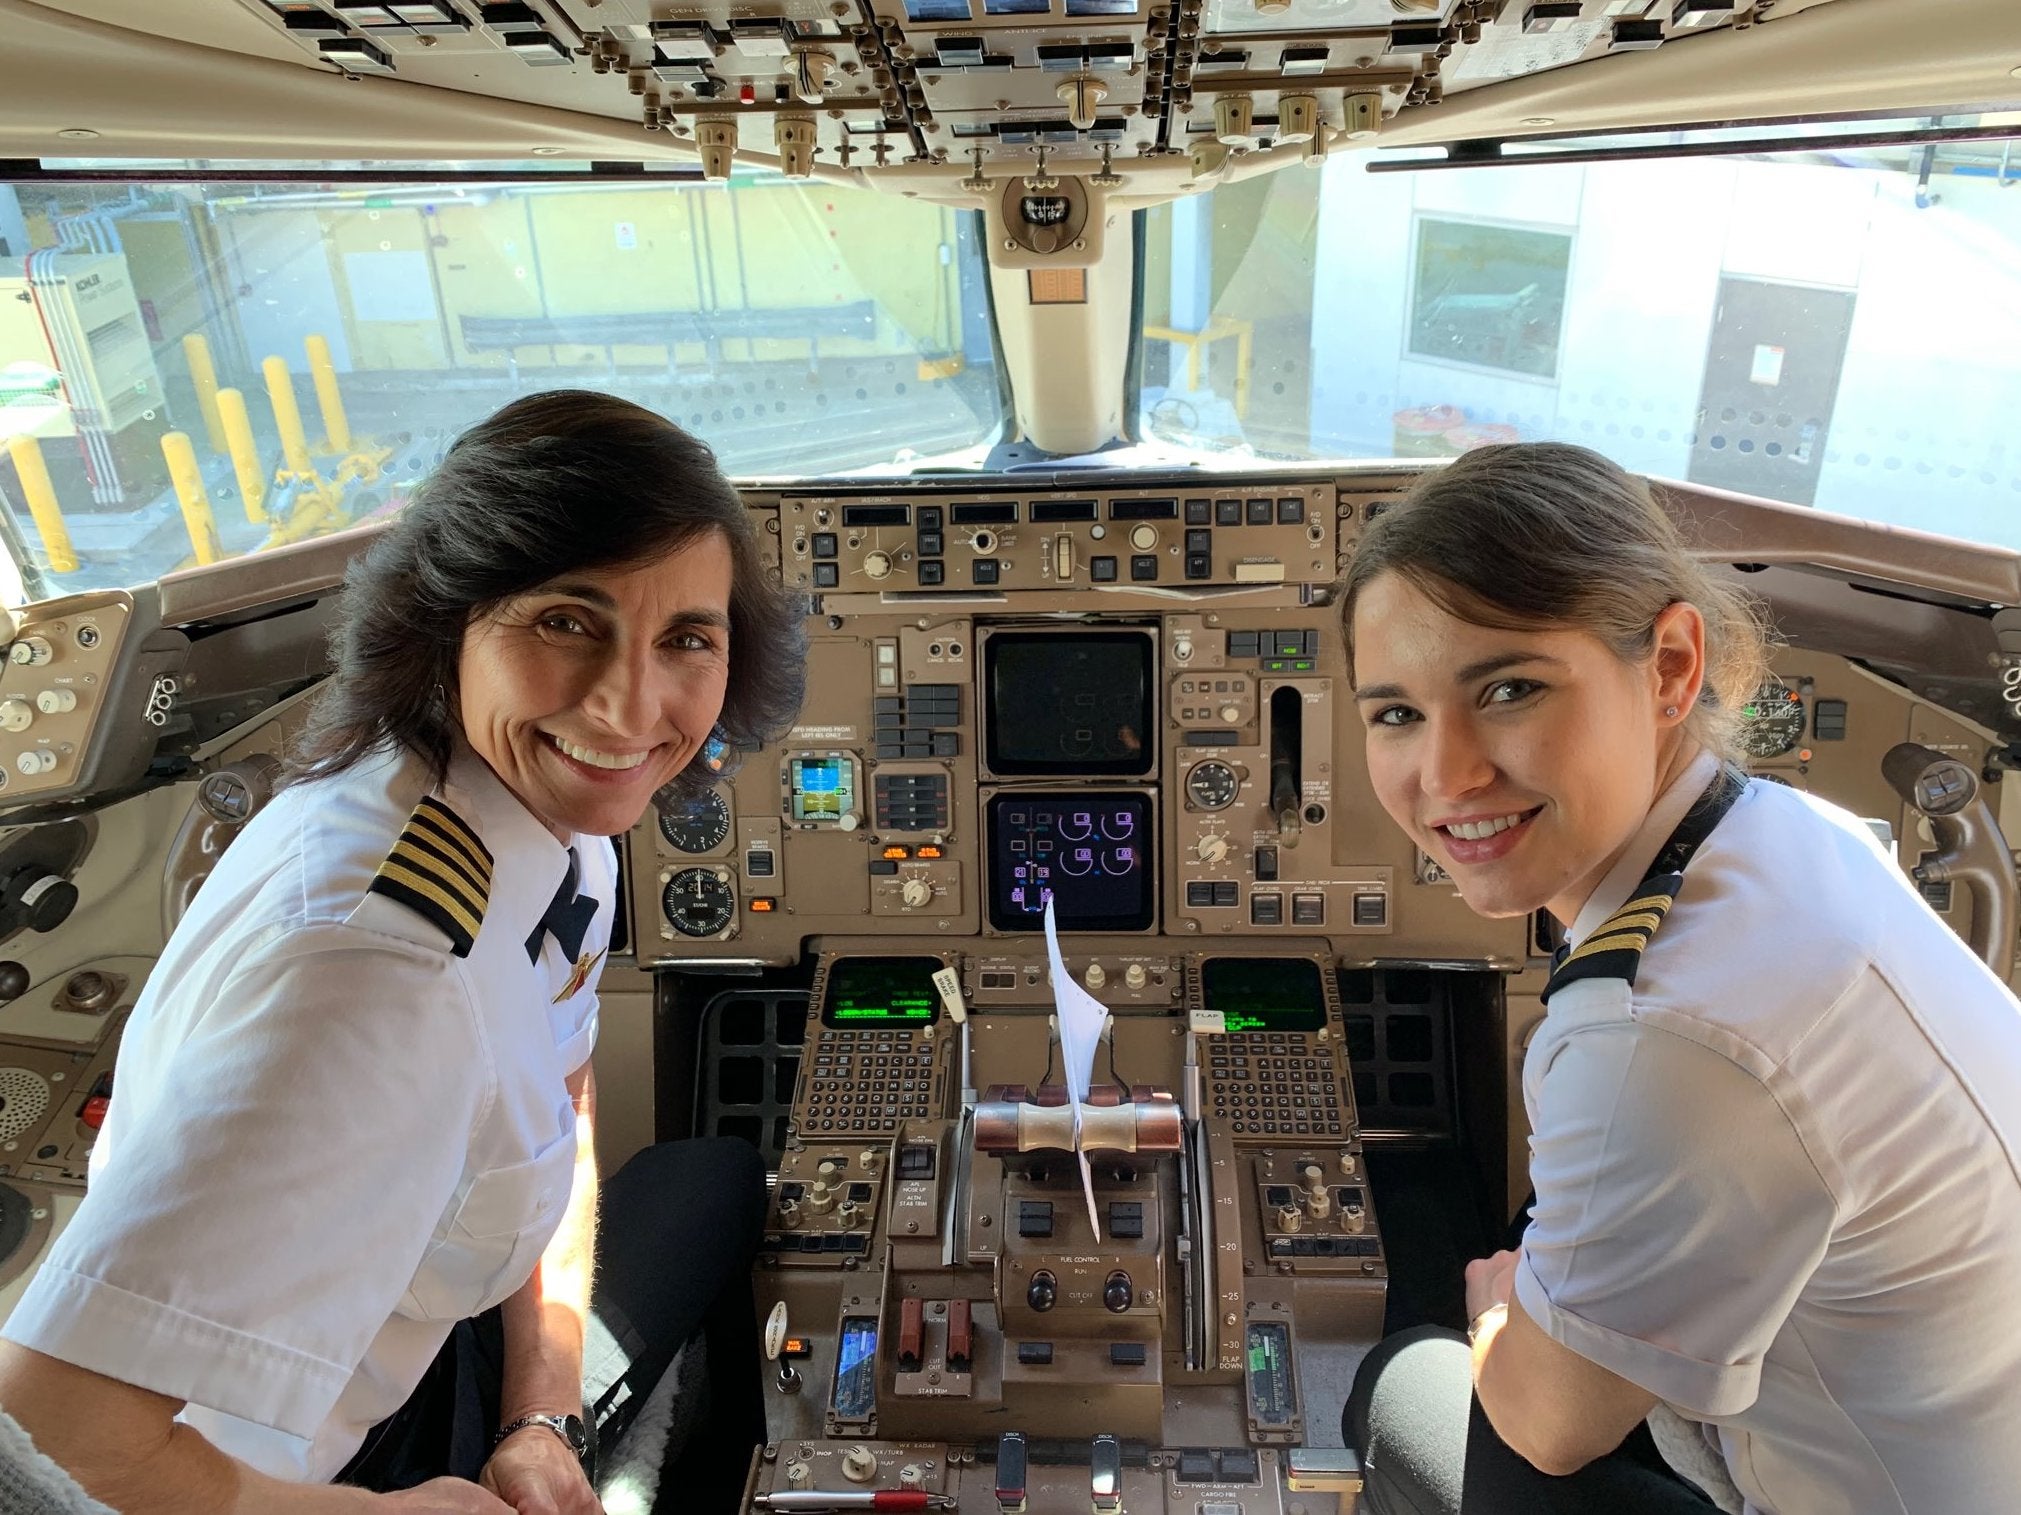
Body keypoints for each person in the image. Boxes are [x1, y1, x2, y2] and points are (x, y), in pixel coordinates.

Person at [0, 391, 807, 1513]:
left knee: (714, 1175)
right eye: (567, 621)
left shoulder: (542, 817)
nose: (630, 708)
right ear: (447, 623)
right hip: (278, 1467)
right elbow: (60, 1438)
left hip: (433, 1341)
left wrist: (538, 1415)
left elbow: (555, 1089)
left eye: (684, 639)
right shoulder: (378, 977)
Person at [1337, 442, 2021, 1515]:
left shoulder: (1665, 1026)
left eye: (1508, 688)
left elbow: (1549, 1424)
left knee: (1398, 1381)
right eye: (1395, 713)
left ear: (1667, 667)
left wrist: (1494, 1313)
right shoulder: (1793, 832)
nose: (1444, 774)